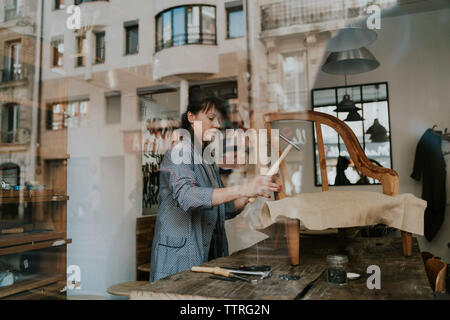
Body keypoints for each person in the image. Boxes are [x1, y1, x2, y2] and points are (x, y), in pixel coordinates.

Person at [149, 96, 281, 282]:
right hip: (179, 258)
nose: (217, 124)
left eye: (219, 120)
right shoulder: (180, 150)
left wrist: (251, 193)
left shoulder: (207, 158)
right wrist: (244, 188)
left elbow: (223, 209)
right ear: (191, 117)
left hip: (209, 255)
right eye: (211, 118)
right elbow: (188, 197)